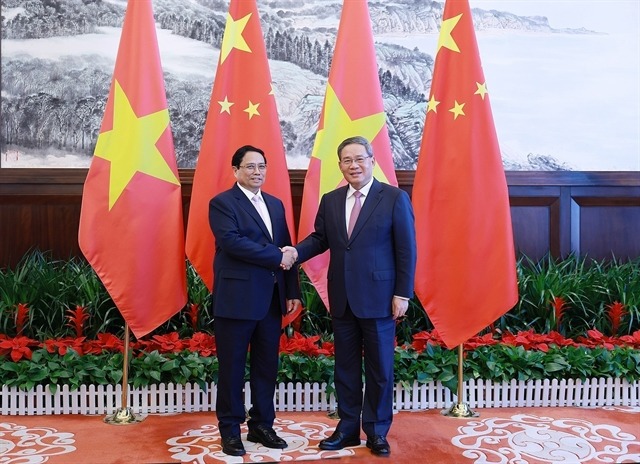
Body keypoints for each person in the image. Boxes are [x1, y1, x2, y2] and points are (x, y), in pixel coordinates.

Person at [284, 136, 416, 457]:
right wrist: (294, 252)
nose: (354, 165)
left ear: (372, 160)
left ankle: (376, 430)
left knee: (380, 368)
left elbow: (406, 249)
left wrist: (403, 293)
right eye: (347, 161)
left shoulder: (394, 198)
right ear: (340, 165)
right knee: (344, 367)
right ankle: (346, 429)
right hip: (342, 298)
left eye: (360, 159)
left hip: (381, 298)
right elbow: (320, 239)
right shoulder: (331, 200)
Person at [209, 145, 301, 457]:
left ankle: (262, 425)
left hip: (271, 300)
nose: (256, 172)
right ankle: (231, 430)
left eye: (261, 166)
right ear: (235, 170)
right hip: (235, 300)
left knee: (266, 367)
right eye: (249, 166)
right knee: (232, 369)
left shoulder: (275, 204)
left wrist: (292, 291)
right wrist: (277, 255)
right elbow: (232, 243)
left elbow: (287, 248)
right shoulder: (222, 203)